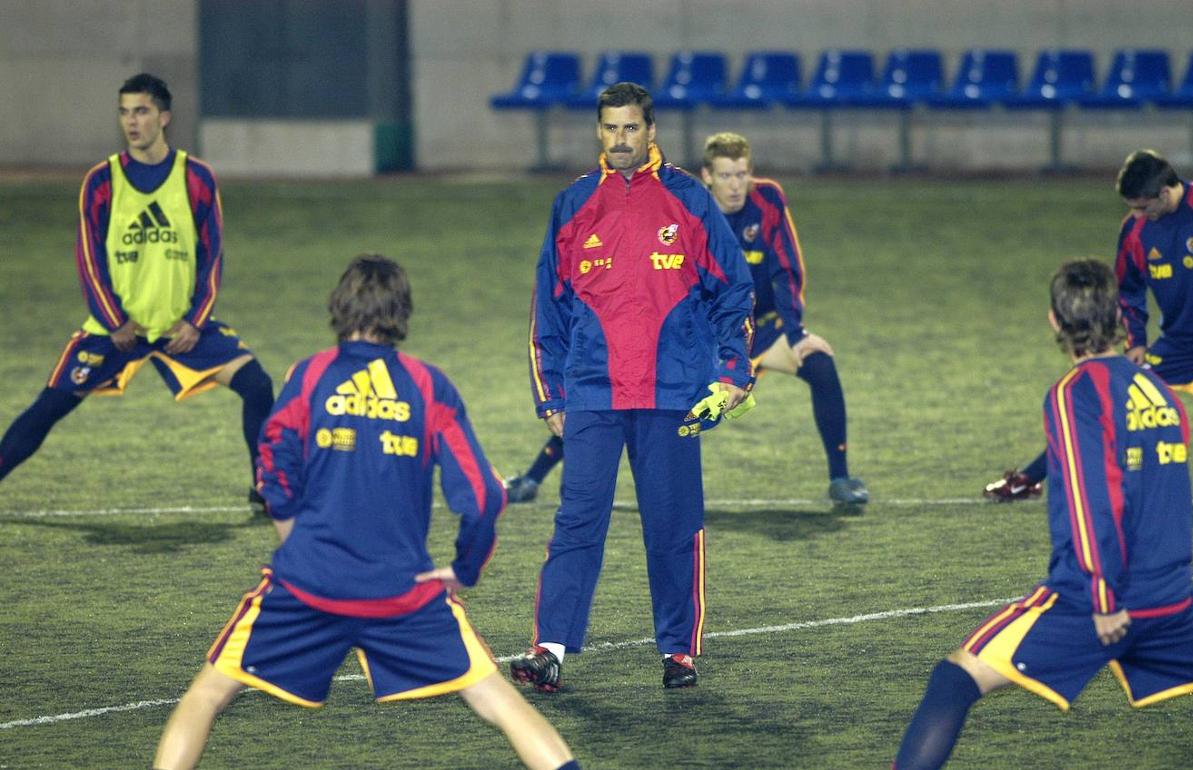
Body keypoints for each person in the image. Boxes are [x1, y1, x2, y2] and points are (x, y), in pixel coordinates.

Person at [153, 255, 580, 770]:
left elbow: (272, 466)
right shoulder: (428, 385)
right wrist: (464, 568)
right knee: (498, 702)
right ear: (402, 312)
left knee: (208, 695)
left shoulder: (309, 376)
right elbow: (484, 495)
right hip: (400, 589)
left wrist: (294, 536)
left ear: (339, 305)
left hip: (308, 581)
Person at [895, 259, 1193, 769]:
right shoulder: (1159, 390)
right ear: (1118, 316)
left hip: (1094, 603)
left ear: (1055, 323)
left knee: (954, 680)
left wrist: (1104, 599)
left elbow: (1092, 500)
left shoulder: (1072, 392)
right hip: (1171, 600)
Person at [508, 83, 755, 691]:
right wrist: (551, 393)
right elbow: (550, 305)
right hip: (592, 391)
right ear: (599, 131)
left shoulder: (689, 199)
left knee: (672, 524)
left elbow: (735, 291)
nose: (620, 139)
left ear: (650, 130)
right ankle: (551, 648)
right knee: (577, 522)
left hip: (673, 391)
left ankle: (678, 651)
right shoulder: (572, 204)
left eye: (631, 128)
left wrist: (732, 371)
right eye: (610, 128)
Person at [505, 131, 867, 507]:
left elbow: (785, 269)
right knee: (624, 398)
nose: (735, 185)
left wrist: (797, 334)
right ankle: (533, 477)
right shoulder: (685, 208)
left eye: (742, 175)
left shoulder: (769, 200)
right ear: (706, 176)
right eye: (726, 176)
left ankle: (840, 477)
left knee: (820, 364)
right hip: (705, 339)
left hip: (761, 330)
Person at [0, 73, 274, 512]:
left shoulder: (197, 178)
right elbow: (89, 261)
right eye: (125, 112)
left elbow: (213, 257)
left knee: (257, 385)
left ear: (164, 117)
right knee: (48, 406)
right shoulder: (101, 181)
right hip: (115, 331)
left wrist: (195, 322)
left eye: (142, 111)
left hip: (180, 329)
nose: (132, 121)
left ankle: (264, 488)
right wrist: (114, 323)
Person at [985, 149, 1193, 502]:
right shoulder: (1135, 230)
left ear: (1166, 193)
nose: (1136, 215)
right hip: (1186, 340)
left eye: (1142, 207)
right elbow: (1129, 289)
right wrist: (1136, 340)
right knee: (1114, 400)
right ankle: (1028, 479)